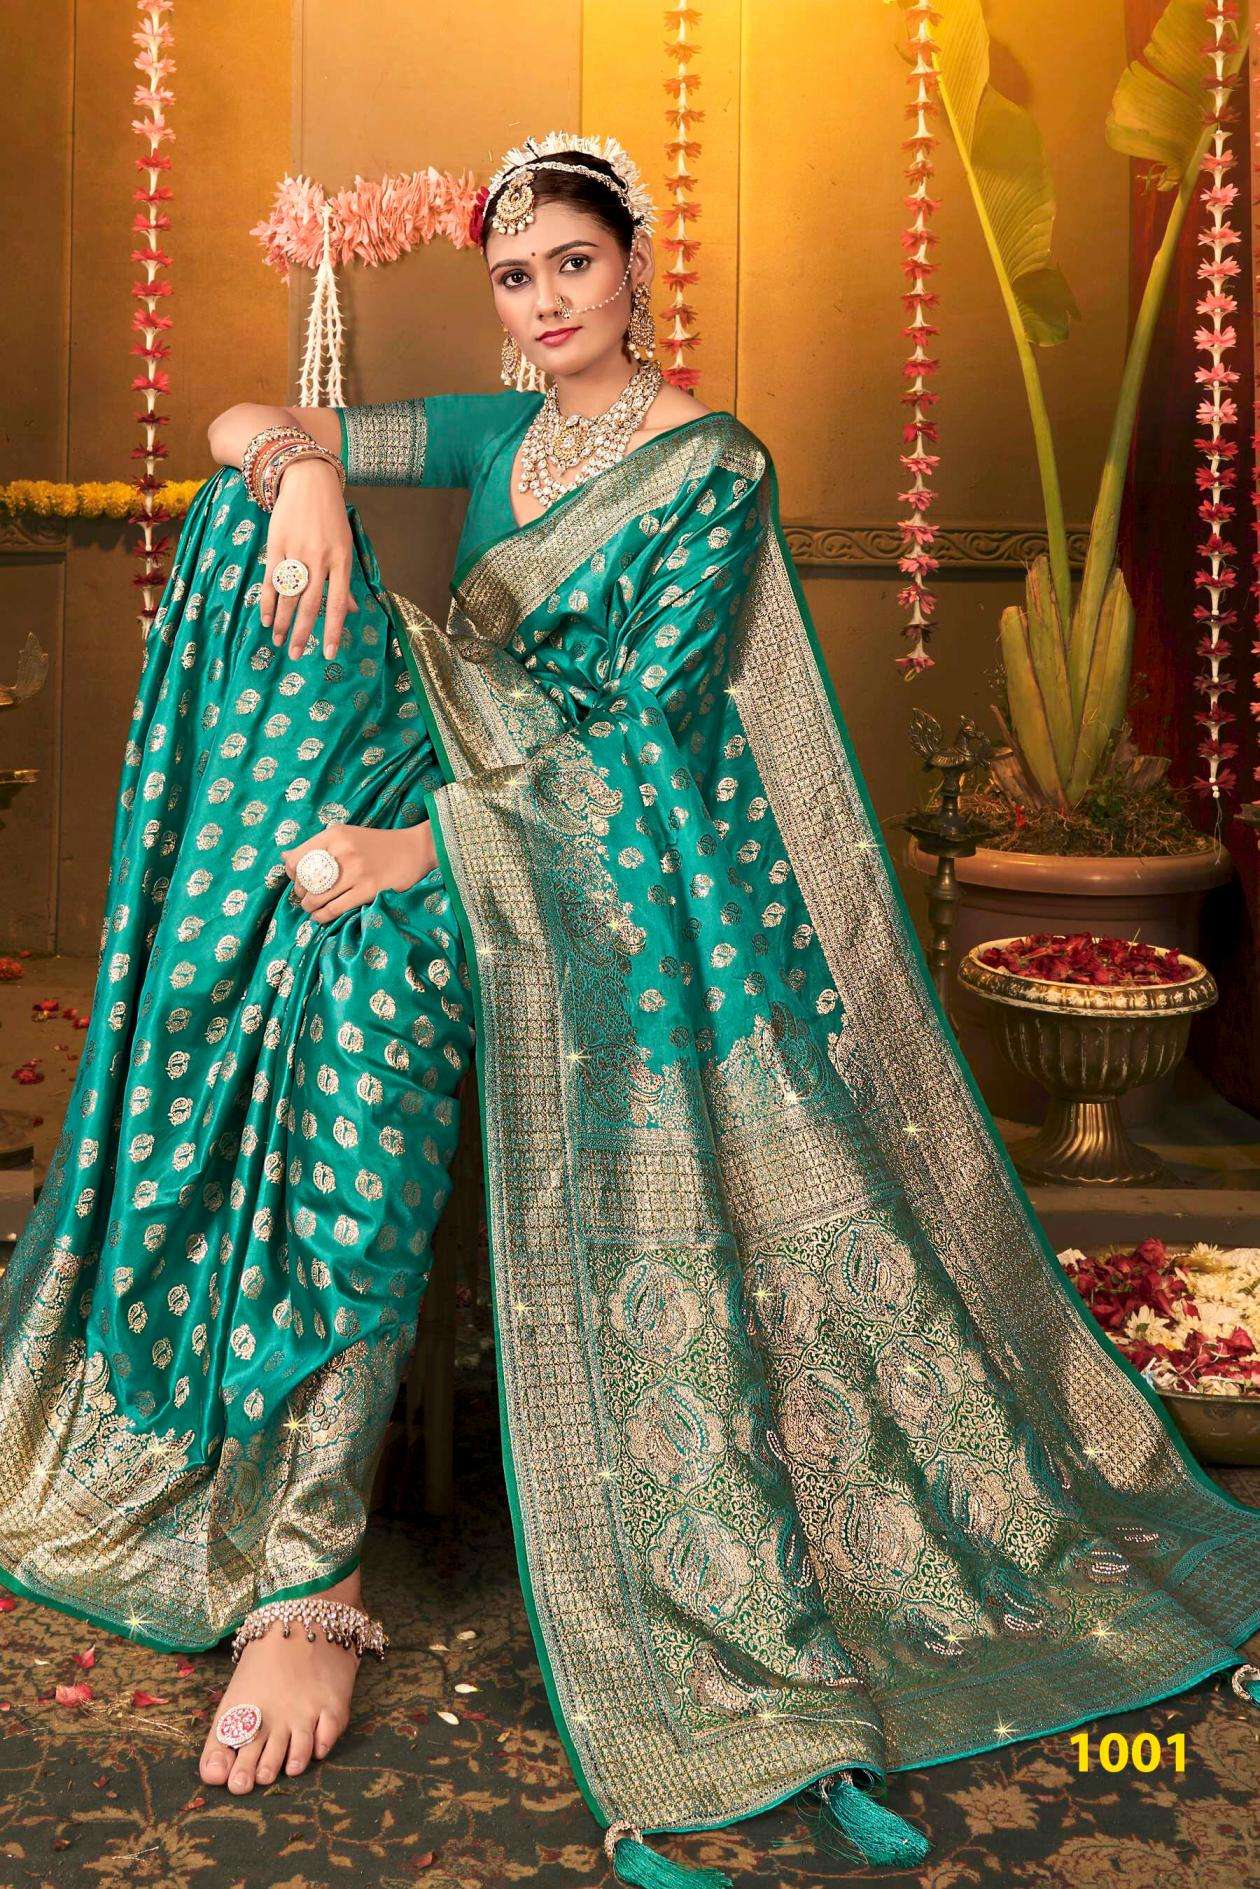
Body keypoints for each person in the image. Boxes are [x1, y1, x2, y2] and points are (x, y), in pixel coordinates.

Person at [0, 128, 1257, 1885]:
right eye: (515, 278)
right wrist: (297, 473)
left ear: (634, 266)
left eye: (572, 265)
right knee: (234, 526)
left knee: (359, 964)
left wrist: (418, 851)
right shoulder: (499, 432)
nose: (544, 304)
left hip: (586, 862)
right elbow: (239, 421)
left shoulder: (709, 466)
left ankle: (308, 1571)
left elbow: (642, 749)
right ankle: (284, 1496)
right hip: (440, 761)